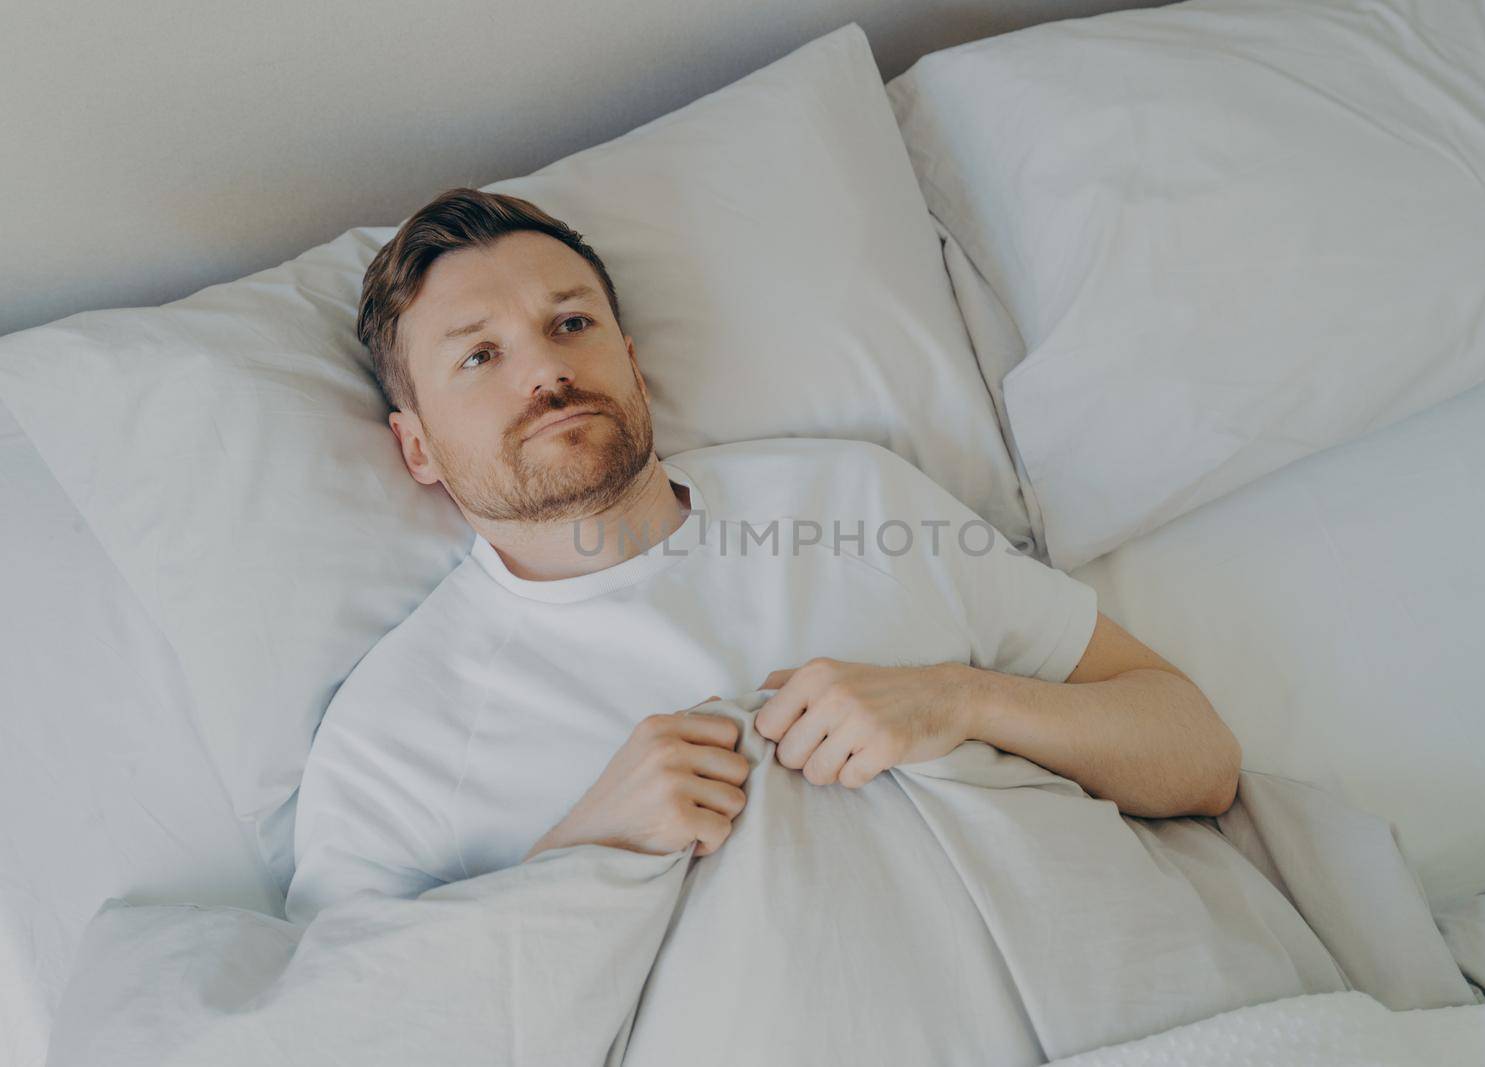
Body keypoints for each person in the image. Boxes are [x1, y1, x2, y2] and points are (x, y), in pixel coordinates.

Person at [282, 187, 1241, 926]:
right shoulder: (393, 734)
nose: (545, 370)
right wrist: (582, 849)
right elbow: (355, 1015)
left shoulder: (854, 500)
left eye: (570, 323)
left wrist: (962, 698)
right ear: (416, 447)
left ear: (631, 357)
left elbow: (1198, 755)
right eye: (479, 357)